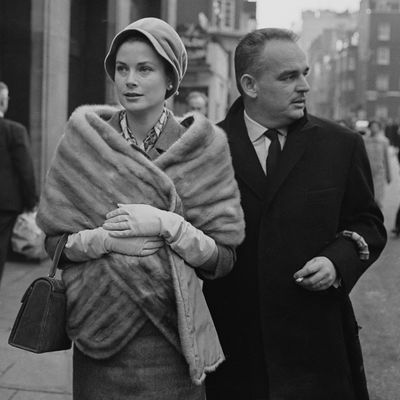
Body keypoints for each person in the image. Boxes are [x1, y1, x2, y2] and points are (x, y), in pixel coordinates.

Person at [36, 18, 244, 400]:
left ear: (170, 80)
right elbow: (53, 243)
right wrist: (103, 241)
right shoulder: (84, 143)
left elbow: (224, 259)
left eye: (144, 69)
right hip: (99, 333)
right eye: (122, 68)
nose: (129, 80)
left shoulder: (202, 149)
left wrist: (171, 225)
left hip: (173, 337)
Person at [202, 28, 387, 400]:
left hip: (318, 349)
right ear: (250, 85)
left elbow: (368, 223)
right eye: (288, 77)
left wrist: (337, 261)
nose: (304, 85)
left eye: (304, 73)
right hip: (235, 353)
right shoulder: (207, 148)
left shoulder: (341, 145)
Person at [0, 81, 37, 286]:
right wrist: (31, 203)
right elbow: (25, 171)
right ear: (4, 102)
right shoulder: (14, 131)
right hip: (4, 205)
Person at [363, 120, 391, 209]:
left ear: (379, 128)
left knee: (377, 196)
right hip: (367, 171)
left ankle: (376, 211)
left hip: (379, 172)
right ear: (369, 128)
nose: (374, 128)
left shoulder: (384, 141)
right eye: (372, 126)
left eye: (376, 127)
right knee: (368, 194)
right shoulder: (363, 140)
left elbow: (386, 159)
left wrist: (388, 175)